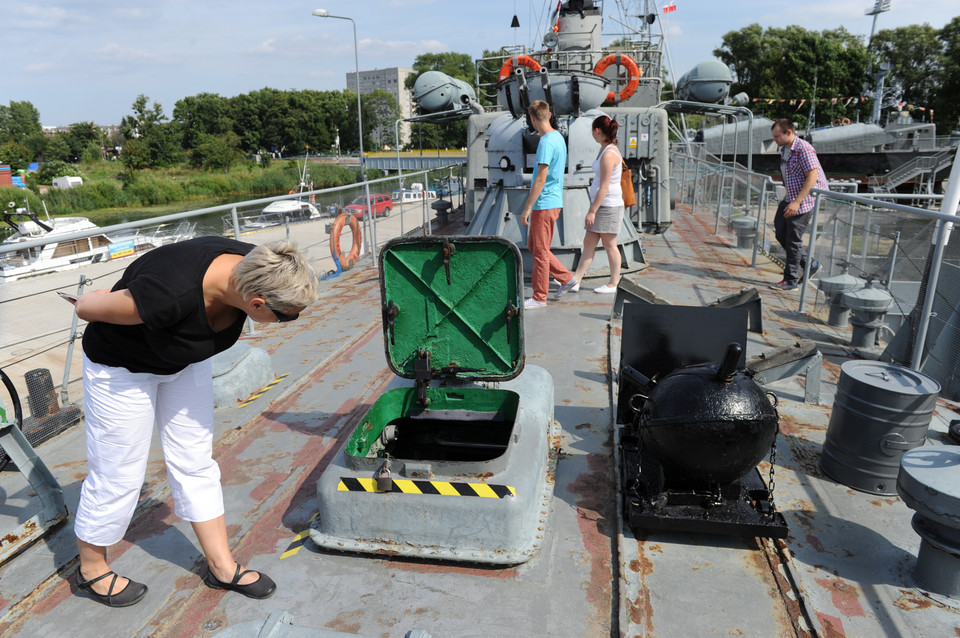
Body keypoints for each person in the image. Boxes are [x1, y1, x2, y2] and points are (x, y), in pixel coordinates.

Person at [71, 236, 318, 607]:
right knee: (119, 472)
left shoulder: (262, 264)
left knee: (196, 460)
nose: (289, 321)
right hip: (122, 368)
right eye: (286, 316)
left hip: (184, 362)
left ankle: (221, 566)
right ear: (256, 304)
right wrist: (108, 298)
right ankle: (90, 569)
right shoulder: (167, 294)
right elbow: (87, 308)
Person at [557, 115, 624, 297]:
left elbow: (604, 186)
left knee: (610, 244)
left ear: (597, 131)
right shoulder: (605, 149)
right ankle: (576, 280)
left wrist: (592, 211)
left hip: (608, 206)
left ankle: (613, 283)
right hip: (603, 205)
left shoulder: (609, 154)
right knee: (589, 242)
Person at [520, 100, 576, 309]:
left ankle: (539, 297)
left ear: (533, 119)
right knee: (536, 247)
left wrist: (527, 208)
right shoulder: (558, 138)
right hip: (553, 201)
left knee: (540, 252)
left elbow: (540, 179)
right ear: (549, 115)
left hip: (544, 203)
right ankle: (566, 278)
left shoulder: (545, 142)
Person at [769, 118, 828, 291]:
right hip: (791, 196)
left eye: (777, 136)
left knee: (793, 239)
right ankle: (811, 264)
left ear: (788, 132)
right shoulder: (785, 149)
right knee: (780, 231)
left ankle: (790, 280)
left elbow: (812, 176)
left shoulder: (804, 149)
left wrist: (797, 201)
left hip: (804, 199)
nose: (775, 140)